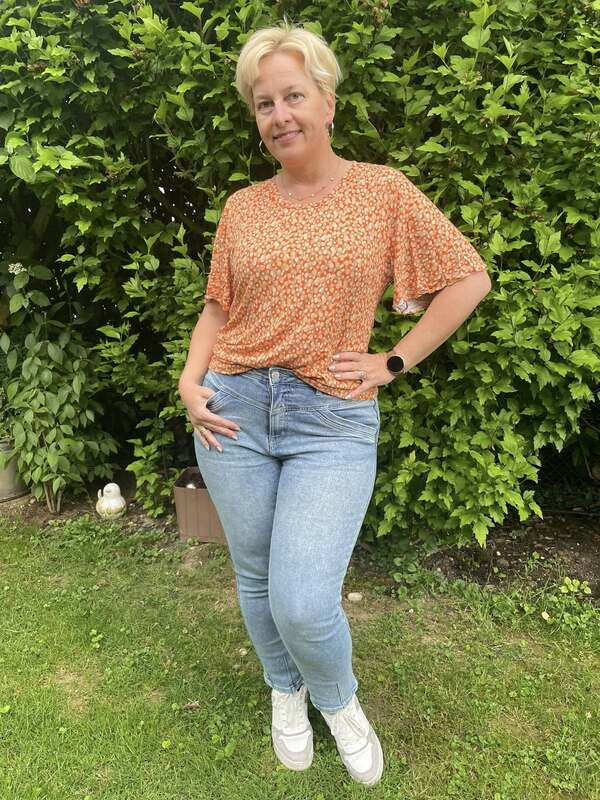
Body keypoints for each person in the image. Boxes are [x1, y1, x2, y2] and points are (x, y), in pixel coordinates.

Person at [178, 22, 492, 787]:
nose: (279, 114)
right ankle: (284, 689)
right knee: (256, 576)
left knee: (304, 599)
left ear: (327, 102)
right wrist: (190, 381)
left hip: (331, 418)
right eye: (264, 104)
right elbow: (218, 308)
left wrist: (393, 361)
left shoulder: (383, 191)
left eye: (292, 96)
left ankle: (338, 700)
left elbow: (469, 278)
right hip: (233, 407)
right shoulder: (243, 207)